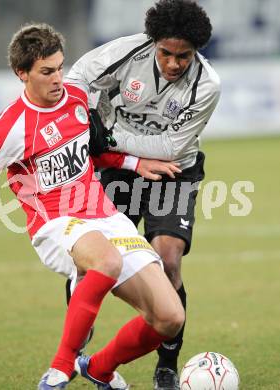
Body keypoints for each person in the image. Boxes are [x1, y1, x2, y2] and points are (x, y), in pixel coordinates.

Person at [0, 23, 185, 389]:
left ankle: (100, 368)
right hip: (56, 222)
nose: (58, 78)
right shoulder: (10, 127)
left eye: (60, 67)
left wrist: (135, 164)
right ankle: (60, 369)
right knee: (106, 261)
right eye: (46, 71)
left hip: (104, 215)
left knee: (169, 318)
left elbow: (93, 151)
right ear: (21, 73)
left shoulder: (76, 97)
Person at [66, 0, 221, 388]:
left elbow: (169, 148)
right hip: (117, 168)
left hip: (174, 172)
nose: (173, 63)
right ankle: (76, 338)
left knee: (168, 260)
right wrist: (86, 117)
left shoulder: (207, 85)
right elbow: (79, 77)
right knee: (90, 259)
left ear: (196, 51)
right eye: (166, 53)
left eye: (183, 56)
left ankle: (167, 363)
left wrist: (108, 136)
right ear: (154, 43)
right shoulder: (128, 51)